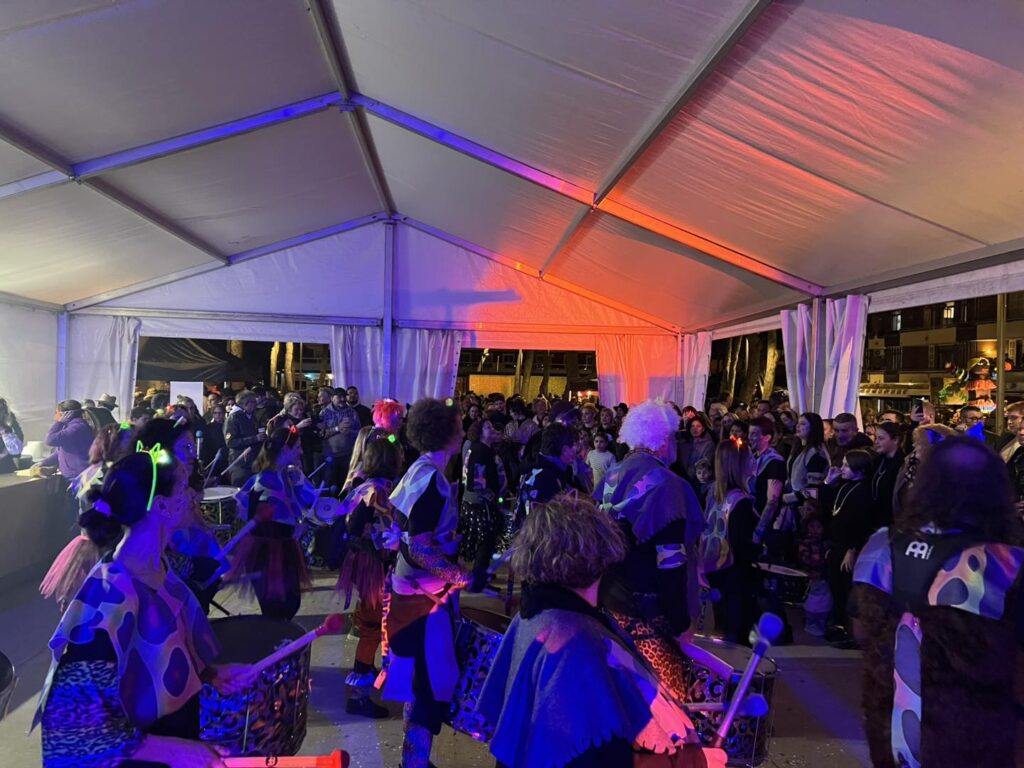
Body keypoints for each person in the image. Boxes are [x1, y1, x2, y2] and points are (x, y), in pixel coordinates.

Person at [34, 449, 254, 768]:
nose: (195, 496)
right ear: (162, 506)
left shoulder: (161, 570)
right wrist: (173, 751)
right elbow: (76, 731)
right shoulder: (106, 602)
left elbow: (159, 661)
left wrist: (211, 674)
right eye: (184, 488)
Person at [477, 493, 726, 768]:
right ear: (600, 556)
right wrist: (688, 763)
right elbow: (597, 757)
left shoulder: (533, 615)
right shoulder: (575, 641)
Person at [852, 438, 1024, 768]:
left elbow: (860, 629)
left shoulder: (881, 545)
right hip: (975, 735)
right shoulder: (1007, 564)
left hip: (890, 728)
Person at [382, 398, 472, 768]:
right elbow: (418, 547)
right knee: (430, 686)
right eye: (459, 427)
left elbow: (400, 526)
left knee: (418, 683)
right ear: (445, 433)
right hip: (424, 601)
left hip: (413, 594)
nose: (463, 433)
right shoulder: (431, 479)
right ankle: (414, 763)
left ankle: (413, 760)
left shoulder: (420, 469)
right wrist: (457, 575)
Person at [595, 399, 704, 703]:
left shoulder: (611, 476)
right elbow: (671, 563)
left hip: (609, 604)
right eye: (674, 438)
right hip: (649, 613)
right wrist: (681, 622)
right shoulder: (668, 485)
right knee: (665, 704)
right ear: (663, 439)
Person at [337, 437, 403, 720]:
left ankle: (365, 675)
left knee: (371, 622)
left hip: (368, 562)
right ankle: (358, 696)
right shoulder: (376, 490)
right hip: (372, 564)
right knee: (372, 628)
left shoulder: (367, 485)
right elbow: (354, 527)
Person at [40, 424, 134, 611]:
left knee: (82, 594)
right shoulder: (109, 474)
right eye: (129, 443)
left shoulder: (93, 471)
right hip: (104, 541)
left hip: (91, 540)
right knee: (98, 596)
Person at [228, 427, 317, 620]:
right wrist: (296, 527)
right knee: (279, 608)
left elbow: (309, 502)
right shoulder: (264, 481)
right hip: (269, 553)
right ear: (285, 449)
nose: (301, 452)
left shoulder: (286, 475)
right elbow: (256, 519)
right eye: (297, 447)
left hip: (283, 548)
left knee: (288, 606)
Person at [700, 438, 759, 644]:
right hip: (736, 574)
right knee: (736, 632)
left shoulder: (713, 493)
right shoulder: (741, 501)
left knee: (723, 627)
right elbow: (741, 545)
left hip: (715, 569)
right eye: (749, 457)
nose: (753, 461)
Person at [824, 449, 873, 644]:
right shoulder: (844, 486)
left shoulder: (862, 492)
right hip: (837, 544)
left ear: (858, 469)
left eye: (846, 465)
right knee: (835, 585)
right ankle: (837, 624)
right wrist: (828, 482)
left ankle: (847, 630)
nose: (842, 468)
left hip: (848, 547)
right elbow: (829, 507)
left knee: (844, 587)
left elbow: (860, 524)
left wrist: (851, 549)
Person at [459, 413, 508, 592]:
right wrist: (492, 499)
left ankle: (482, 574)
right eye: (487, 427)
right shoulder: (480, 451)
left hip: (476, 501)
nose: (492, 429)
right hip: (480, 504)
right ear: (479, 432)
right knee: (485, 543)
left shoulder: (481, 449)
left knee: (485, 542)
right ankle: (478, 581)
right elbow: (477, 482)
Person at [37, 400, 94, 484]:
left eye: (56, 412)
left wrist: (59, 422)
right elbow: (59, 453)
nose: (55, 416)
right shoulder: (70, 427)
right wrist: (43, 462)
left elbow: (50, 440)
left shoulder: (77, 428)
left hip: (80, 478)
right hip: (75, 477)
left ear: (65, 414)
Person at [797, 512, 831, 637]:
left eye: (818, 527)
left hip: (824, 575)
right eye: (812, 526)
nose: (815, 530)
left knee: (825, 599)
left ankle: (820, 622)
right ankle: (811, 623)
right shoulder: (806, 543)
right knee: (815, 599)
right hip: (813, 575)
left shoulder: (826, 543)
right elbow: (806, 559)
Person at [319, 387, 361, 490]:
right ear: (332, 398)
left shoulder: (352, 412)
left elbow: (360, 432)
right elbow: (320, 434)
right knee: (328, 484)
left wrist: (350, 432)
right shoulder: (324, 413)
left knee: (345, 485)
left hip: (347, 455)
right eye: (339, 397)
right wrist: (337, 428)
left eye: (344, 396)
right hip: (330, 455)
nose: (342, 399)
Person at [223, 390, 264, 486]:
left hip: (253, 462)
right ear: (245, 403)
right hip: (239, 463)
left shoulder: (252, 417)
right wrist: (255, 438)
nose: (256, 404)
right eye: (253, 402)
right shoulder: (234, 418)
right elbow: (230, 442)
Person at [870, 422, 904, 530]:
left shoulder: (902, 464)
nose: (876, 442)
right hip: (876, 520)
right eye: (876, 438)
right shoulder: (878, 460)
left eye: (881, 438)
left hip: (893, 522)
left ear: (895, 440)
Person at [0, 397, 24, 473]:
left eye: (1, 410)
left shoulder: (9, 418)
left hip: (7, 463)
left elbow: (20, 435)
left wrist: (11, 454)